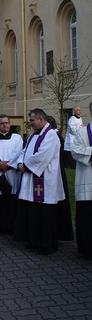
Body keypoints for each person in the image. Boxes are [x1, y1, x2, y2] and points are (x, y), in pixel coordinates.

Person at [14, 108, 65, 255]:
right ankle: (35, 240)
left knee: (46, 213)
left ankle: (48, 244)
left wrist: (26, 166)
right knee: (33, 212)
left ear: (40, 120)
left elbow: (42, 156)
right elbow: (24, 152)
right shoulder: (32, 136)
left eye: (32, 121)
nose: (31, 124)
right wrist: (19, 163)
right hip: (32, 179)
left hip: (46, 180)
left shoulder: (51, 135)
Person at [71, 101, 92, 259]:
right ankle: (86, 249)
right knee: (86, 218)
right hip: (87, 180)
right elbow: (75, 151)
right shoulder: (82, 132)